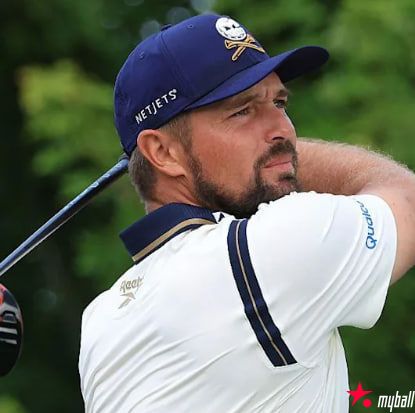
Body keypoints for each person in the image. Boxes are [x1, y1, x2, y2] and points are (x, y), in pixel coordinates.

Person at [78, 13, 415, 413]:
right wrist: (277, 158)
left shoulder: (102, 320)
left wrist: (265, 154)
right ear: (163, 152)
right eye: (242, 111)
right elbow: (408, 199)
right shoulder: (269, 250)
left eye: (279, 103)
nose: (285, 130)